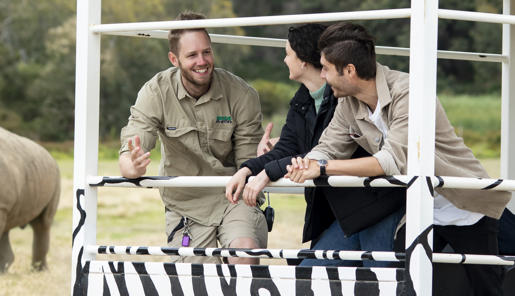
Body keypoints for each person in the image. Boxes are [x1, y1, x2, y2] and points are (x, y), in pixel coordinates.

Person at [286, 22, 510, 295]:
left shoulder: (410, 93)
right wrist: (308, 162)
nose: (321, 75)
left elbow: (391, 162)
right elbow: (329, 146)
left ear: (349, 71)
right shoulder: (348, 102)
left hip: (464, 206)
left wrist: (321, 168)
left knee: (488, 287)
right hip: (418, 210)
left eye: (326, 68)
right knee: (407, 282)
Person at [225, 24, 405, 267]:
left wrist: (272, 171)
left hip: (373, 205)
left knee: (379, 279)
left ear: (303, 61)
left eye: (288, 53)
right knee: (310, 277)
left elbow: (323, 156)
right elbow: (311, 150)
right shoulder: (305, 99)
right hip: (343, 213)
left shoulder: (344, 95)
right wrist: (248, 170)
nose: (284, 59)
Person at [118, 12, 267, 265]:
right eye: (192, 55)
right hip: (185, 204)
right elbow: (131, 148)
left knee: (244, 255)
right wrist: (131, 167)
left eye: (206, 52)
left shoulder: (242, 94)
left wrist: (264, 159)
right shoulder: (155, 92)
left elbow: (248, 163)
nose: (202, 61)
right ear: (174, 59)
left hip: (234, 196)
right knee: (195, 282)